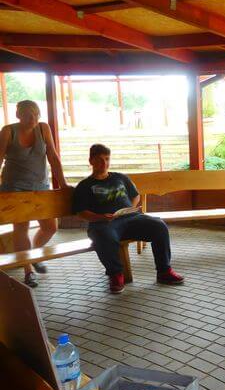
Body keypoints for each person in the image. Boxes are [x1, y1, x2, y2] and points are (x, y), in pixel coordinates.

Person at [72, 144, 184, 293]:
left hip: (131, 218)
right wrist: (100, 217)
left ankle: (164, 271)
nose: (104, 163)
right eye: (99, 159)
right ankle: (116, 274)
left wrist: (130, 208)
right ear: (91, 161)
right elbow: (81, 212)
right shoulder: (84, 186)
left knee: (159, 226)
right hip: (104, 224)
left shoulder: (120, 177)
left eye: (107, 159)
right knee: (103, 235)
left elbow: (135, 196)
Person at [0, 100, 68, 287]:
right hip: (14, 188)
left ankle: (32, 255)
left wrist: (63, 183)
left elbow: (53, 156)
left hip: (40, 187)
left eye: (36, 114)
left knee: (51, 227)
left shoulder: (43, 128)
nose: (33, 118)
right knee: (21, 229)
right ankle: (28, 270)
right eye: (28, 115)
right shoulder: (8, 131)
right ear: (18, 115)